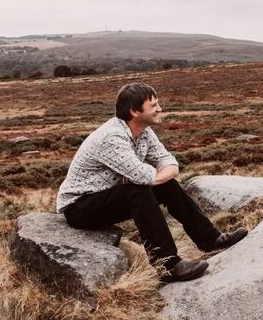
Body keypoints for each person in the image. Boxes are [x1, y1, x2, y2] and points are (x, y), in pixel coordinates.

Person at [56, 83, 248, 282]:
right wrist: (151, 176)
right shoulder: (111, 137)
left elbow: (170, 163)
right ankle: (167, 265)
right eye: (154, 105)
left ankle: (210, 239)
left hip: (106, 197)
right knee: (137, 191)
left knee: (164, 185)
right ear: (134, 111)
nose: (160, 109)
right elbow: (142, 177)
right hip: (79, 207)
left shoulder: (143, 131)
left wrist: (155, 176)